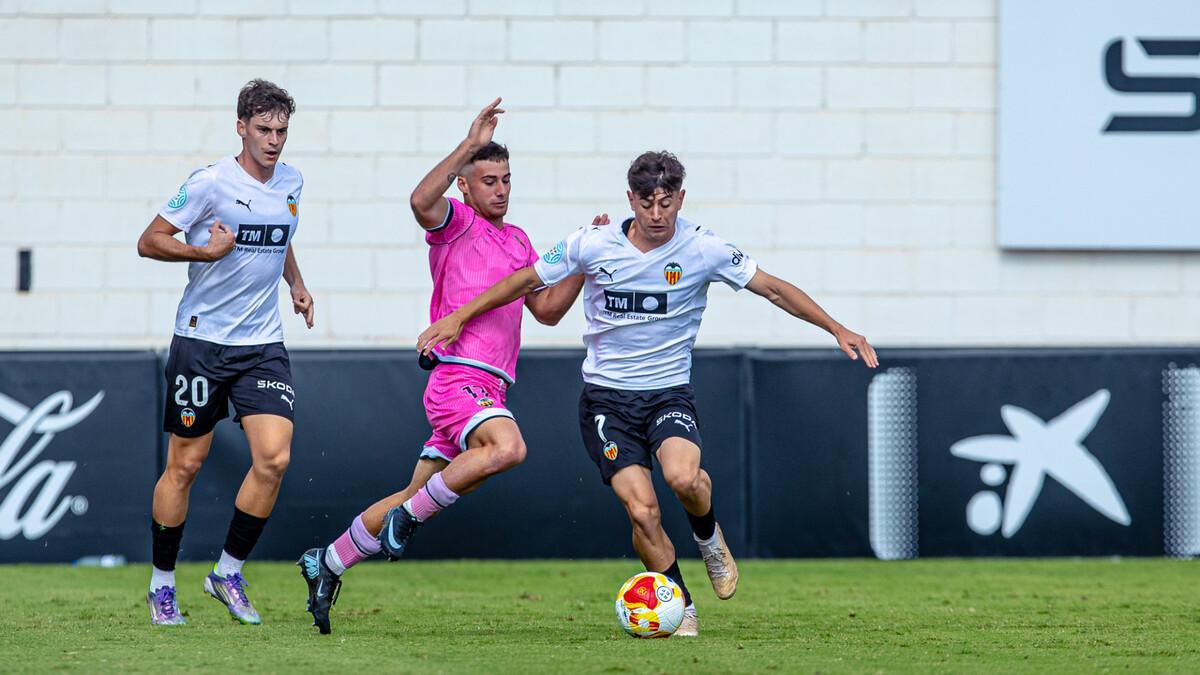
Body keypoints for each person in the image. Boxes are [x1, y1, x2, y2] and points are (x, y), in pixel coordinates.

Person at [417, 150, 878, 637]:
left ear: (680, 199)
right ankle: (679, 601)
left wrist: (835, 327)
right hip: (605, 402)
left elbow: (773, 289)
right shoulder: (592, 244)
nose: (657, 216)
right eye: (647, 204)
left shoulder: (704, 248)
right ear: (630, 200)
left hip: (667, 395)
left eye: (666, 203)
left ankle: (708, 537)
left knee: (685, 479)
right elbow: (525, 281)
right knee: (642, 510)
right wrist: (459, 316)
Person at [298, 98, 593, 635]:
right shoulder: (456, 222)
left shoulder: (520, 240)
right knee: (508, 448)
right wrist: (467, 145)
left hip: (489, 390)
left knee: (415, 493)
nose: (500, 189)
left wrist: (583, 263)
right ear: (466, 185)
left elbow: (547, 312)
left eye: (505, 179)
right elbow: (419, 199)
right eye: (487, 179)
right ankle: (407, 521)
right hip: (458, 378)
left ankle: (329, 561)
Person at [136, 79, 314, 626]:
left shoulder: (292, 181)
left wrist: (296, 284)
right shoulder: (210, 182)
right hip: (203, 341)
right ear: (241, 127)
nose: (274, 140)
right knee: (185, 465)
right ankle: (162, 585)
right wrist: (203, 251)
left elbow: (278, 238)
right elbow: (149, 240)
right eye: (263, 129)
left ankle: (227, 572)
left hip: (261, 343)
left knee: (275, 458)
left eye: (281, 130)